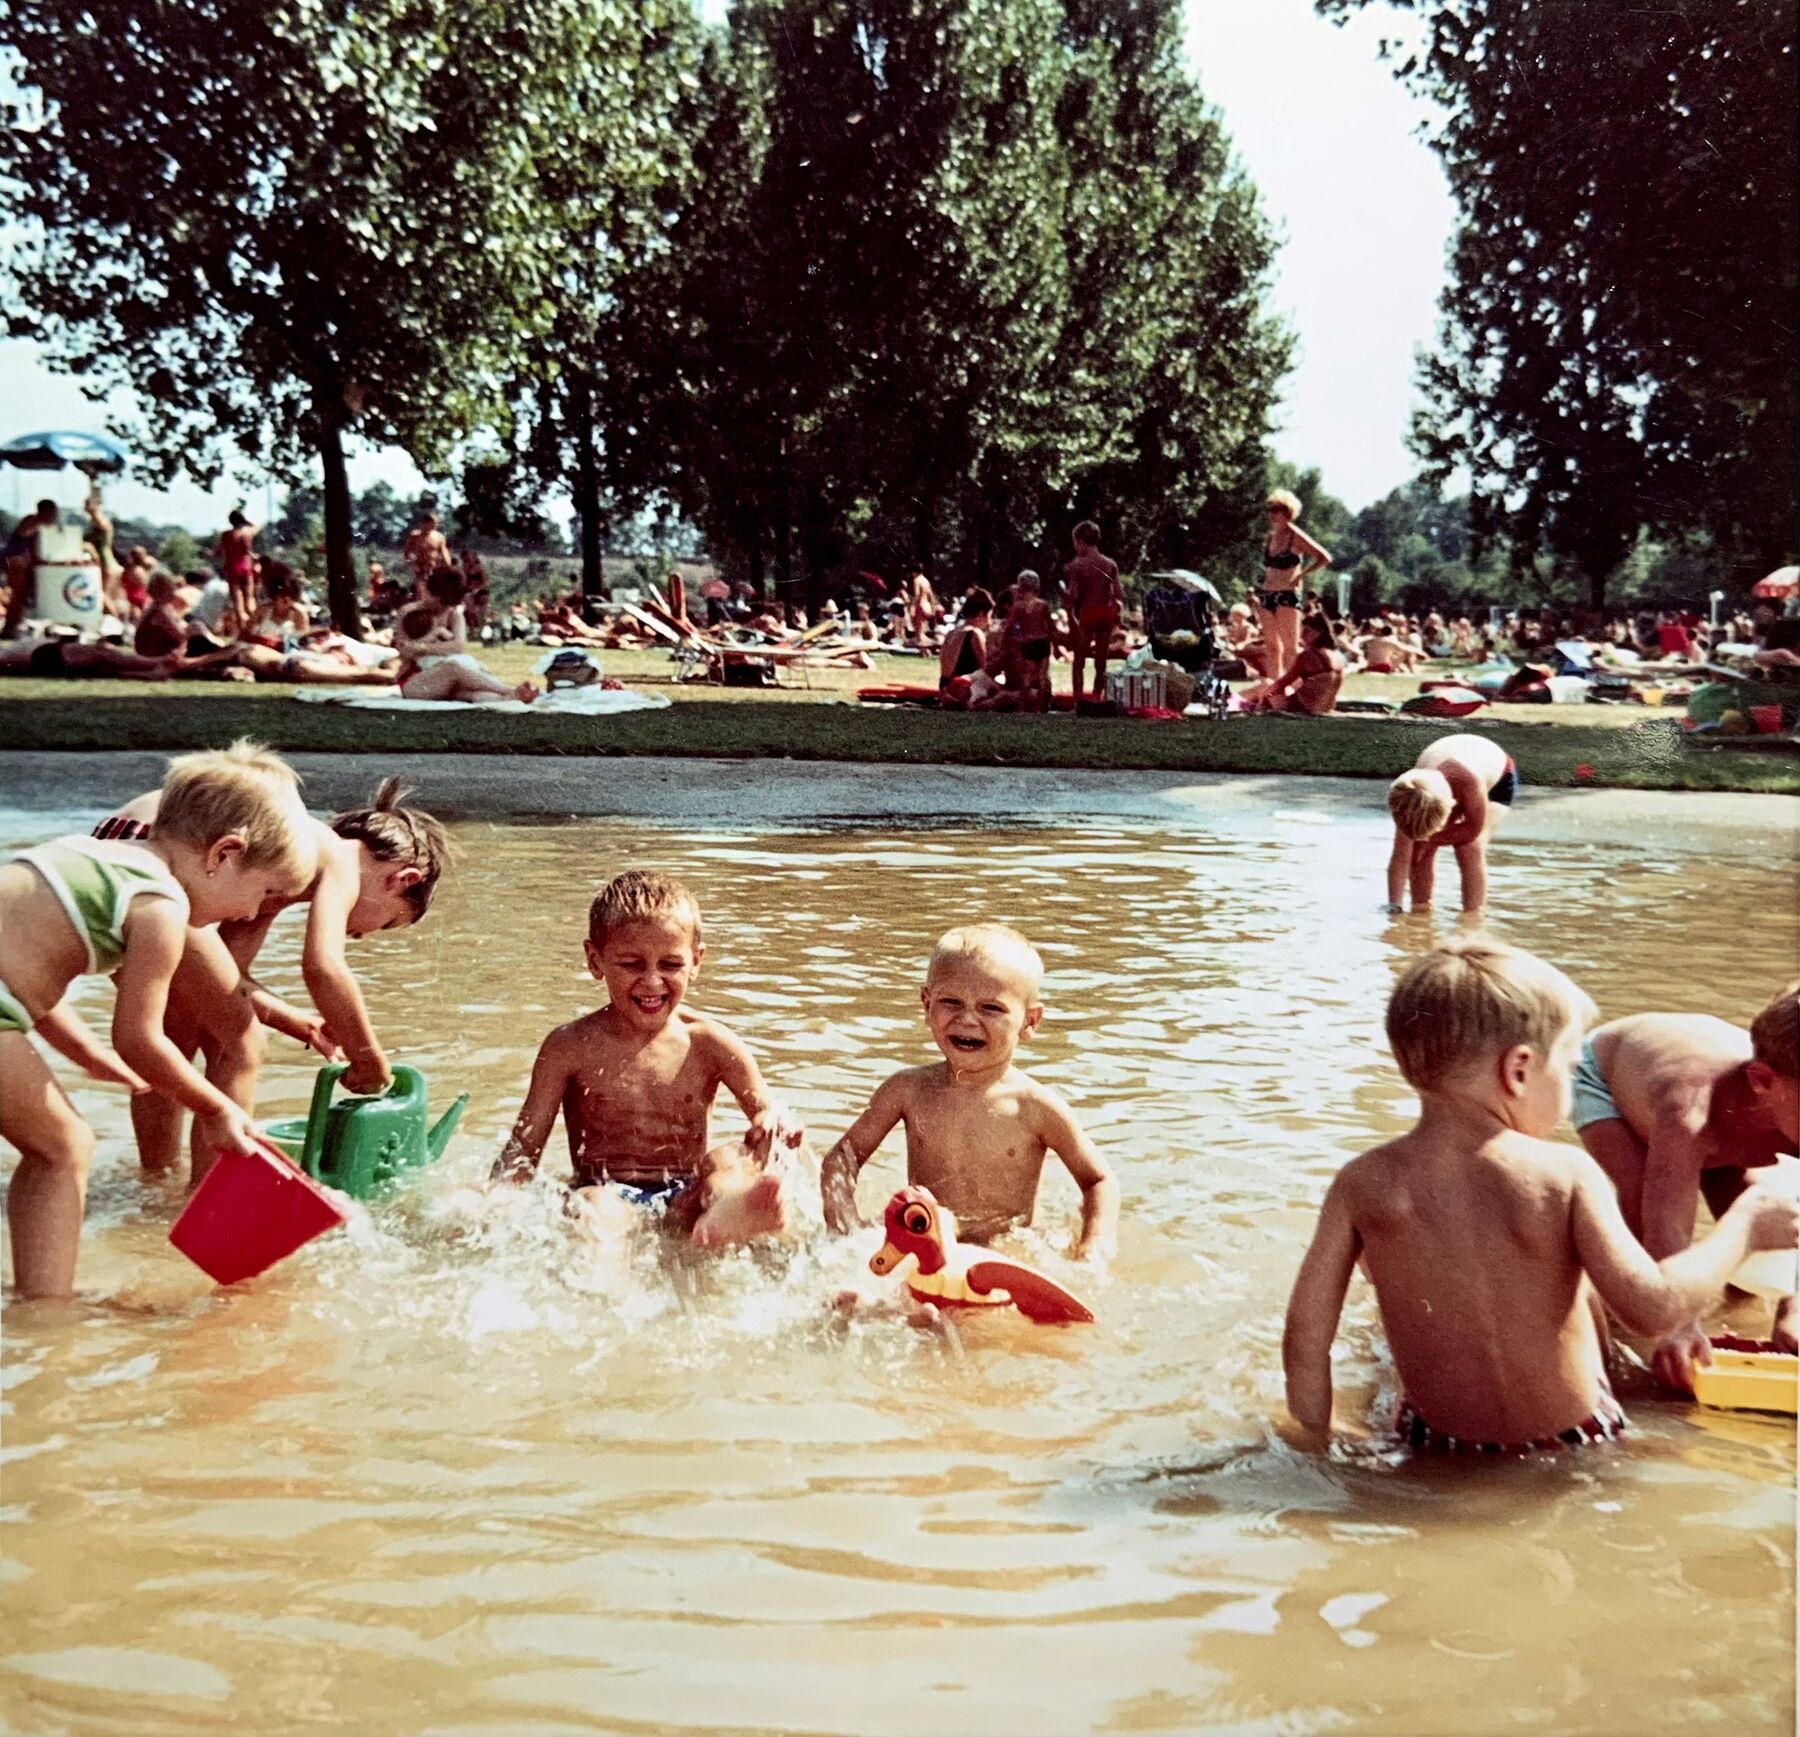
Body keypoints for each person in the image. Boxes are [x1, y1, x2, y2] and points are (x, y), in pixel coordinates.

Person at [1282, 938, 1799, 1455]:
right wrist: (1745, 1225)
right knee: (1583, 1284)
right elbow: (1652, 1310)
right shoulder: (1566, 1173)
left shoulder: (1360, 1183)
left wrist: (1319, 1442)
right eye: (1570, 1067)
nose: (1571, 1088)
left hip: (1433, 1443)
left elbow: (1306, 1336)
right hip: (1574, 1440)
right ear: (1519, 1070)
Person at [0, 742, 318, 1295]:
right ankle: (46, 1312)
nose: (251, 913)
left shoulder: (89, 853)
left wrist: (84, 1053)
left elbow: (21, 974)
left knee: (51, 1145)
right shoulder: (160, 906)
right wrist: (215, 1108)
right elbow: (140, 1041)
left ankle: (36, 1298)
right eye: (265, 893)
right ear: (224, 854)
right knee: (64, 1147)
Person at [492, 870, 800, 1246]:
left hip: (687, 1196)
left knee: (730, 1159)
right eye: (632, 964)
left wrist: (774, 1127)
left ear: (696, 961)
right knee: (595, 1207)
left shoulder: (710, 1042)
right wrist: (497, 1203)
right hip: (606, 1192)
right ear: (595, 960)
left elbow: (768, 1114)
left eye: (670, 965)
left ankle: (729, 1214)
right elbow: (524, 1148)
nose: (652, 981)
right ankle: (608, 1274)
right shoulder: (569, 1047)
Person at [820, 924, 1119, 1258]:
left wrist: (1094, 1244)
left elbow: (1098, 1180)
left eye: (991, 1008)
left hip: (1000, 1254)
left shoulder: (1035, 1107)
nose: (967, 1019)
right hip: (926, 1247)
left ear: (1029, 1021)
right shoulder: (907, 1091)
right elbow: (842, 1158)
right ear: (926, 1005)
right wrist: (846, 1227)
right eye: (951, 1002)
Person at [1569, 982, 1799, 1390]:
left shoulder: (1780, 1097)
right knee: (1642, 1204)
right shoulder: (1690, 1111)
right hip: (1606, 1078)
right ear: (1763, 1080)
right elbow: (1667, 1226)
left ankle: (1744, 1301)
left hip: (1728, 1112)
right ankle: (1604, 1325)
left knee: (1757, 1215)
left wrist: (1792, 1309)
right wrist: (1680, 1325)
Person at [1385, 732, 1517, 913]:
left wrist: (1431, 839)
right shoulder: (1408, 795)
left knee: (1469, 848)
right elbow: (1400, 857)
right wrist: (1395, 906)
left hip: (1500, 778)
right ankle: (1421, 909)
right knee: (1419, 848)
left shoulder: (1469, 781)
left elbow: (1472, 830)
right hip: (1443, 776)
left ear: (1450, 805)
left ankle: (1473, 918)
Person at [393, 574, 537, 703]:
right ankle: (507, 690)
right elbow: (405, 652)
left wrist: (421, 647)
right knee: (453, 668)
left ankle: (508, 698)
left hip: (447, 680)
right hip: (415, 680)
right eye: (442, 602)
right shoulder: (410, 613)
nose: (445, 608)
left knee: (472, 692)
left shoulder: (454, 613)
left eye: (449, 603)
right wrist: (433, 643)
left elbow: (458, 647)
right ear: (429, 592)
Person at [1255, 490, 1331, 685]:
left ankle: (1296, 688)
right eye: (1269, 509)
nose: (1272, 513)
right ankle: (1274, 689)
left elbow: (1324, 557)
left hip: (1287, 594)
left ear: (1288, 511)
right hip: (1267, 593)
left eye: (1277, 509)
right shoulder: (1270, 537)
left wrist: (1301, 574)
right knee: (1271, 647)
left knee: (1290, 648)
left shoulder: (1295, 536)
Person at [1061, 521, 1122, 705]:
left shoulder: (1077, 565)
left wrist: (1066, 598)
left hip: (1089, 610)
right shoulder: (1110, 564)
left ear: (1081, 542)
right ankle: (1097, 697)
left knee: (1079, 660)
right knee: (1101, 661)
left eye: (1075, 543)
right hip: (1106, 611)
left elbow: (1075, 594)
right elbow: (1119, 592)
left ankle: (1078, 700)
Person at [1247, 612, 1344, 715]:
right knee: (1276, 688)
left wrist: (1263, 695)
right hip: (1325, 708)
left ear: (1319, 633)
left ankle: (1243, 703)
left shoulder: (1310, 655)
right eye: (1302, 631)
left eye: (1307, 631)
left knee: (1265, 687)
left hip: (1303, 708)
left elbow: (1283, 683)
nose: (1302, 636)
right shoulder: (1337, 655)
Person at [1, 498, 60, 638]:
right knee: (18, 597)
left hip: (25, 565)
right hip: (16, 563)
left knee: (22, 597)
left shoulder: (41, 525)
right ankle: (9, 629)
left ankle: (14, 627)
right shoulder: (32, 521)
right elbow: (25, 533)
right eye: (52, 513)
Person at [1001, 571, 1055, 711]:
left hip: (1028, 643)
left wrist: (1004, 642)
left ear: (1020, 586)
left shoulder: (1018, 606)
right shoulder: (1043, 605)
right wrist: (1052, 641)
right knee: (1042, 678)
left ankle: (1022, 708)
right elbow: (1050, 626)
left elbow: (1009, 626)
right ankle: (1038, 709)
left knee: (1026, 679)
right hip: (1042, 642)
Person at [937, 587, 992, 702]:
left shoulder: (952, 632)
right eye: (989, 616)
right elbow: (985, 668)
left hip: (945, 685)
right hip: (962, 686)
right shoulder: (975, 633)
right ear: (981, 614)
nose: (989, 621)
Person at [214, 509, 259, 626]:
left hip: (232, 568)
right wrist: (246, 521)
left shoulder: (226, 535)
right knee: (249, 598)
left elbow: (217, 552)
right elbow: (248, 548)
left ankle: (242, 629)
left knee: (238, 603)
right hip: (246, 567)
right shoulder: (247, 533)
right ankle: (254, 625)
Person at [401, 514, 450, 586]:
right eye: (434, 523)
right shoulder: (415, 535)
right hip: (419, 569)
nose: (436, 525)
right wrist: (411, 564)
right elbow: (406, 552)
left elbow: (444, 553)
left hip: (434, 568)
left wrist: (448, 565)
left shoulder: (439, 537)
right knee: (421, 588)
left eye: (437, 523)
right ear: (425, 523)